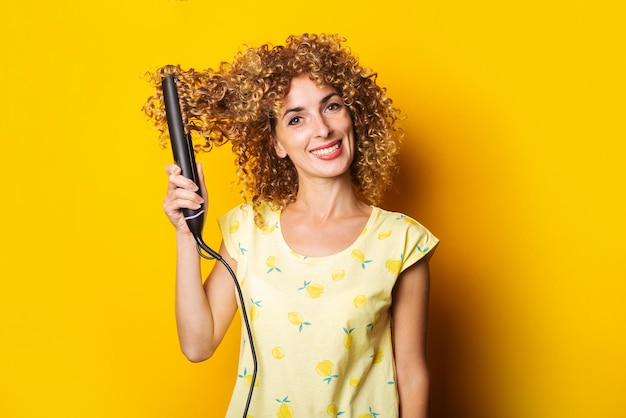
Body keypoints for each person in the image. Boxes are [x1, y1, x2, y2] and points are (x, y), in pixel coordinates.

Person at [144, 33, 438, 418]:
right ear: (277, 143)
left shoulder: (401, 241)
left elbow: (412, 375)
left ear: (353, 115)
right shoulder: (248, 230)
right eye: (296, 118)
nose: (322, 129)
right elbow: (198, 345)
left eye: (331, 106)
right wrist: (185, 234)